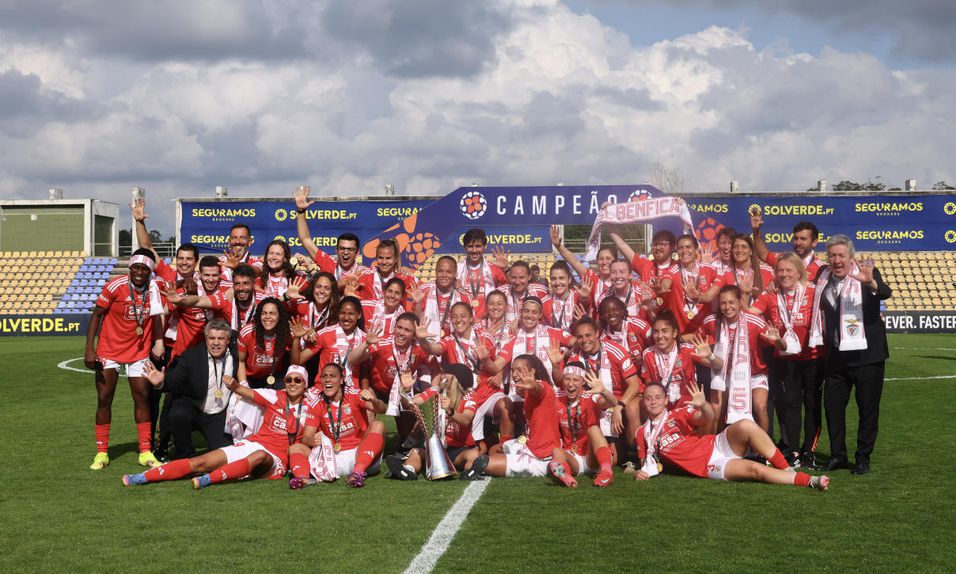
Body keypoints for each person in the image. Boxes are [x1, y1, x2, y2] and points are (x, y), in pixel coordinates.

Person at [122, 365, 312, 489]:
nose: (292, 384)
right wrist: (234, 385)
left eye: (298, 380)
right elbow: (243, 391)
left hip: (276, 459)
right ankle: (142, 477)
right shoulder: (274, 396)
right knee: (200, 461)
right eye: (289, 380)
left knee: (259, 457)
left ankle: (208, 480)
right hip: (254, 444)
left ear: (305, 384)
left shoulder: (313, 407)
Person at [633, 381, 828, 490]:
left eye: (658, 397)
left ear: (666, 399)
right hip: (709, 465)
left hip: (716, 445)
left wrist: (702, 405)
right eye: (648, 398)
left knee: (745, 425)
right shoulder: (642, 432)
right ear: (643, 402)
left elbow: (707, 417)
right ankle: (809, 480)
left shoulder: (678, 414)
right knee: (754, 469)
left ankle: (786, 469)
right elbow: (644, 463)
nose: (653, 402)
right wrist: (637, 472)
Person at [809, 235, 892, 475]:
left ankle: (863, 458)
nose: (836, 260)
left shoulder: (866, 274)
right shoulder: (822, 277)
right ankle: (838, 456)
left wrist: (871, 284)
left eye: (841, 255)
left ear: (851, 257)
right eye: (832, 255)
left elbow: (885, 292)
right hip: (836, 357)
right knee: (832, 407)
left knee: (868, 409)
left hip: (868, 356)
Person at [85, 248, 166, 470]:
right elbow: (96, 315)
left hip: (138, 351)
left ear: (150, 271)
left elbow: (156, 316)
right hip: (109, 349)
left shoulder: (154, 289)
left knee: (142, 397)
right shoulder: (116, 286)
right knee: (104, 398)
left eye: (144, 269)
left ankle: (145, 451)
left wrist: (158, 340)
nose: (139, 272)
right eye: (135, 268)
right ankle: (102, 453)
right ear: (130, 268)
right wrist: (89, 349)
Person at [750, 253, 821, 467]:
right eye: (780, 270)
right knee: (790, 404)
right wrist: (745, 294)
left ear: (799, 272)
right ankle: (794, 450)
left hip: (813, 357)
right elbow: (749, 315)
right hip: (784, 359)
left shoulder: (812, 291)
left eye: (789, 270)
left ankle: (810, 450)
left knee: (812, 404)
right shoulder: (770, 295)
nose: (784, 274)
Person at [417, 302, 515, 450]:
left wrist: (495, 369)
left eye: (463, 316)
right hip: (464, 395)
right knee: (476, 445)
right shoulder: (449, 340)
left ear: (471, 318)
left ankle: (506, 449)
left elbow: (497, 364)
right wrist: (422, 340)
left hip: (487, 392)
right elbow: (434, 349)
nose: (458, 320)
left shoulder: (485, 338)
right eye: (454, 317)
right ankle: (478, 445)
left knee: (506, 405)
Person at [140, 319, 236, 459]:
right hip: (194, 407)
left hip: (217, 414)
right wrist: (160, 383)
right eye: (212, 338)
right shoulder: (191, 356)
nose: (216, 343)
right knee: (178, 414)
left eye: (220, 338)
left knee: (226, 455)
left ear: (228, 340)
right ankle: (185, 455)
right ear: (206, 339)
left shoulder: (236, 355)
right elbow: (175, 380)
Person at [287, 363, 387, 488]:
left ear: (341, 379)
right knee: (295, 448)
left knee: (378, 424)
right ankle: (302, 479)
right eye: (324, 376)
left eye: (332, 376)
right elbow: (305, 438)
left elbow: (382, 409)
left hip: (361, 454)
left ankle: (357, 473)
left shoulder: (354, 394)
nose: (328, 379)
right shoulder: (316, 404)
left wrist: (374, 400)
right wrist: (312, 440)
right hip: (332, 459)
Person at [386, 364, 489, 481]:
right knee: (415, 453)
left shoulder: (469, 397)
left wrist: (450, 411)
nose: (441, 376)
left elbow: (466, 420)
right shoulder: (434, 391)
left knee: (473, 454)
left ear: (456, 379)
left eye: (445, 373)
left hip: (460, 449)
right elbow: (410, 405)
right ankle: (407, 471)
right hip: (436, 448)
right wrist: (406, 391)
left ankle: (469, 472)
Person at [698, 286, 774, 433]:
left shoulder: (754, 321)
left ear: (740, 302)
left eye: (732, 302)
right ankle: (716, 446)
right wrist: (708, 360)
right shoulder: (711, 321)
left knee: (760, 407)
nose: (728, 307)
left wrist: (777, 340)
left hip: (755, 373)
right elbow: (696, 344)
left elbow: (777, 344)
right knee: (717, 408)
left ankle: (763, 451)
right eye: (723, 303)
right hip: (724, 373)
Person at [351, 311, 434, 443]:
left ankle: (406, 446)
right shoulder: (382, 342)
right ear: (394, 327)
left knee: (418, 416)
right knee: (366, 402)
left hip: (403, 391)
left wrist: (432, 392)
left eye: (407, 330)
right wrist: (366, 344)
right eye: (399, 327)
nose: (401, 332)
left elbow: (436, 363)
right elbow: (352, 359)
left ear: (414, 334)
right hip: (378, 389)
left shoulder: (419, 348)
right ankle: (367, 446)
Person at [565, 316, 642, 459]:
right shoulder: (575, 357)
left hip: (623, 397)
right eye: (580, 337)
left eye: (588, 335)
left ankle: (633, 456)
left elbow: (634, 385)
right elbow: (569, 384)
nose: (584, 340)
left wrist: (619, 406)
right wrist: (557, 367)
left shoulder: (616, 350)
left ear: (597, 333)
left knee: (632, 408)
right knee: (613, 457)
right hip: (597, 400)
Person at [479, 355, 562, 478]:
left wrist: (532, 385)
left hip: (541, 457)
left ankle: (550, 468)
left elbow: (538, 389)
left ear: (532, 371)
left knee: (484, 464)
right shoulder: (527, 394)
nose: (514, 374)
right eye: (512, 370)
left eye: (519, 369)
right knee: (494, 450)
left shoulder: (543, 387)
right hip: (529, 446)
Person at [549, 362, 617, 487]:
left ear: (583, 382)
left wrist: (603, 391)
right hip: (573, 456)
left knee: (593, 429)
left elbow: (612, 403)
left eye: (576, 380)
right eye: (567, 379)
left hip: (593, 455)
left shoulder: (590, 395)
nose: (570, 384)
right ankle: (567, 477)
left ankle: (606, 472)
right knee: (556, 451)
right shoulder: (557, 397)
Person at [640, 310, 715, 415]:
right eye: (656, 332)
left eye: (665, 331)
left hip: (688, 406)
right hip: (661, 409)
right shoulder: (648, 354)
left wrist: (710, 356)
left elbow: (716, 365)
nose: (660, 336)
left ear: (674, 333)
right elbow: (649, 386)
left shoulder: (687, 350)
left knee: (707, 411)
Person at [292, 295, 367, 392]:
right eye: (342, 313)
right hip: (322, 390)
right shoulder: (325, 334)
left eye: (351, 314)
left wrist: (365, 389)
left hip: (350, 391)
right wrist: (297, 338)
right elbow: (297, 361)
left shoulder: (364, 339)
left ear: (359, 315)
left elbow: (365, 371)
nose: (346, 317)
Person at [294, 186, 369, 281]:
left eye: (350, 249)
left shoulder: (364, 273)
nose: (345, 252)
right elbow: (305, 240)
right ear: (336, 251)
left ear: (357, 252)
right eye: (342, 248)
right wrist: (301, 211)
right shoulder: (329, 264)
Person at [166, 264, 266, 335]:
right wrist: (180, 300)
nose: (241, 288)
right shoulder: (226, 298)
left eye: (246, 283)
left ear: (254, 284)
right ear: (232, 284)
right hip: (233, 348)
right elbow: (198, 300)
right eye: (237, 284)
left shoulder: (263, 300)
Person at [551, 224, 615, 309]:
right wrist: (559, 246)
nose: (604, 262)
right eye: (601, 259)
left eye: (608, 258)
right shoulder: (592, 279)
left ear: (615, 260)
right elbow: (574, 261)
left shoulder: (624, 282)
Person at [750, 207, 823, 281]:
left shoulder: (822, 269)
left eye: (803, 239)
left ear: (814, 242)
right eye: (795, 238)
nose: (798, 243)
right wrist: (756, 231)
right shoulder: (783, 259)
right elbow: (764, 255)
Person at [237, 297, 292, 389]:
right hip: (250, 378)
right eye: (264, 313)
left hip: (275, 376)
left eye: (272, 313)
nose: (267, 317)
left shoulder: (287, 332)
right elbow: (240, 361)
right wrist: (243, 384)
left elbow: (295, 361)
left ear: (280, 316)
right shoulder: (247, 332)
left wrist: (299, 338)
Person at [412, 256, 470, 337]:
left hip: (452, 344)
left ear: (455, 274)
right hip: (427, 342)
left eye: (449, 272)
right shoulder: (424, 290)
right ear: (435, 272)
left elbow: (468, 326)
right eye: (440, 271)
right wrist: (418, 304)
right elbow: (415, 322)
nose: (444, 275)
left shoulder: (463, 296)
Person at [458, 228, 509, 317]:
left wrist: (506, 269)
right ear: (465, 247)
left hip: (488, 321)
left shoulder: (493, 268)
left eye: (478, 246)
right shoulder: (457, 269)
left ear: (484, 246)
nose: (474, 250)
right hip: (464, 322)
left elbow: (510, 289)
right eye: (470, 246)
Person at [598, 288, 651, 369]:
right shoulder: (604, 339)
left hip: (646, 369)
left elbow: (656, 347)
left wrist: (642, 360)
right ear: (602, 316)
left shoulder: (639, 325)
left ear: (622, 311)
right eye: (606, 312)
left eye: (615, 309)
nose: (611, 313)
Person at [357, 238, 417, 302]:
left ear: (395, 259)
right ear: (376, 258)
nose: (384, 262)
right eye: (380, 258)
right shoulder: (364, 276)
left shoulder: (404, 277)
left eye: (388, 258)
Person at [724, 234, 774, 306]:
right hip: (739, 315)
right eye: (736, 247)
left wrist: (775, 282)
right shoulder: (726, 274)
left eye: (744, 247)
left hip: (762, 316)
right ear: (732, 251)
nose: (739, 250)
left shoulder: (767, 271)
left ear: (750, 251)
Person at [497, 260, 548, 324]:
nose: (517, 282)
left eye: (521, 277)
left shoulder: (540, 291)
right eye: (513, 277)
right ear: (509, 277)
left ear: (529, 277)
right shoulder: (500, 292)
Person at [542, 260, 583, 332]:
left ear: (569, 279)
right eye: (553, 279)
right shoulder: (543, 302)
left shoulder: (579, 298)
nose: (557, 283)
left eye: (561, 278)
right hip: (553, 341)